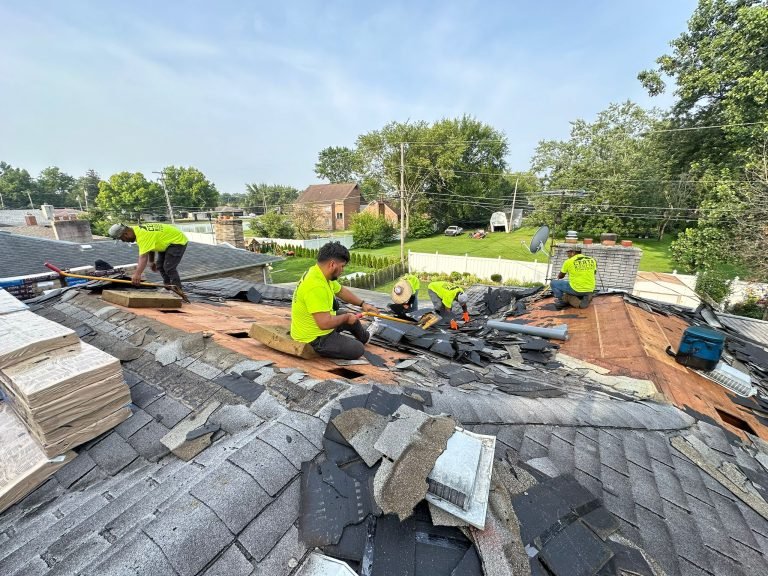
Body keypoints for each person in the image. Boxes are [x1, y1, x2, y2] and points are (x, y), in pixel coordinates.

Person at [290, 241, 379, 360]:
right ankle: (327, 347)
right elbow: (324, 324)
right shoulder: (316, 286)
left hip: (315, 325)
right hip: (313, 338)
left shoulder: (319, 272)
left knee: (347, 315)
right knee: (357, 349)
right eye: (342, 266)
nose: (343, 270)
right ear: (332, 264)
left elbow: (341, 291)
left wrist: (363, 304)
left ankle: (365, 337)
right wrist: (346, 318)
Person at [108, 223, 189, 288]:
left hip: (177, 241)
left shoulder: (142, 235)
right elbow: (149, 246)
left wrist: (137, 274)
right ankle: (168, 286)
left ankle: (178, 290)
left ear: (125, 234)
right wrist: (151, 261)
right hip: (166, 242)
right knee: (160, 266)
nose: (123, 241)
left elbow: (143, 257)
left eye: (122, 239)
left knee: (169, 268)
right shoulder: (135, 230)